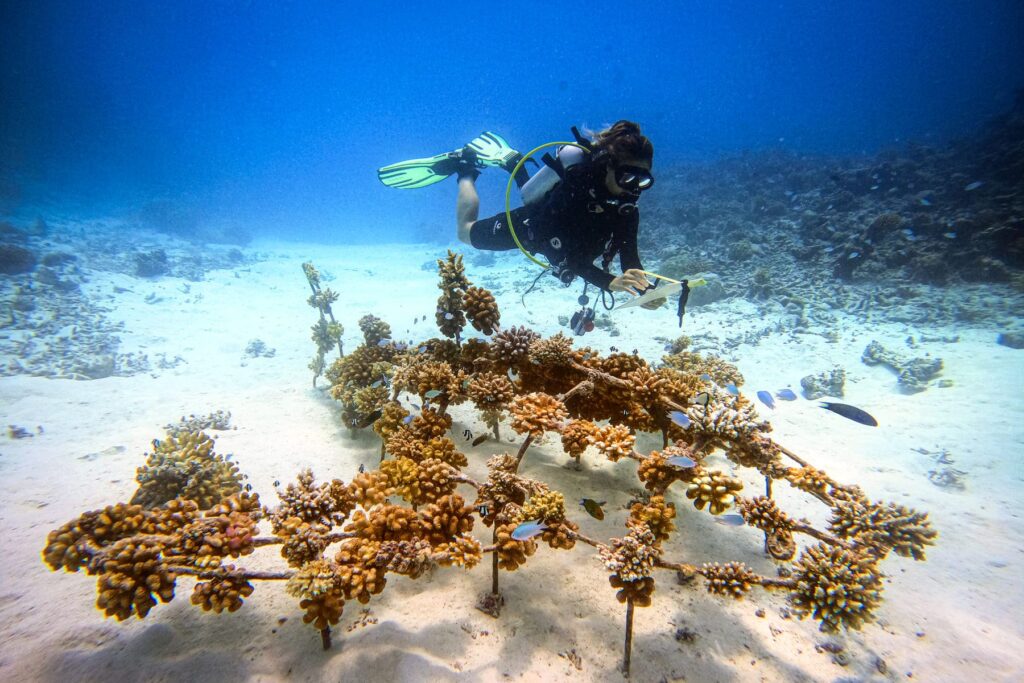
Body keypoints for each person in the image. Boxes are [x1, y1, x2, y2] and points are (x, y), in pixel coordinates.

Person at [452, 122, 662, 307]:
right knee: (465, 232)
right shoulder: (576, 188)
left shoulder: (626, 207)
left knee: (527, 189)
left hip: (569, 243)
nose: (633, 189)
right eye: (628, 178)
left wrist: (644, 289)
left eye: (642, 181)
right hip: (532, 229)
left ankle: (515, 163)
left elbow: (629, 255)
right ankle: (465, 172)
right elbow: (567, 257)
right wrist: (608, 281)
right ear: (609, 167)